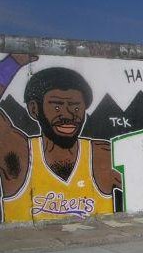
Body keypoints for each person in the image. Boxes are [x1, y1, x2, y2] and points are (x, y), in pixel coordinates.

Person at [0, 58, 121, 222]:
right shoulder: (19, 156)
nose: (68, 115)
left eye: (76, 107)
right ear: (34, 109)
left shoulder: (103, 156)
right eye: (57, 106)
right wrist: (14, 61)